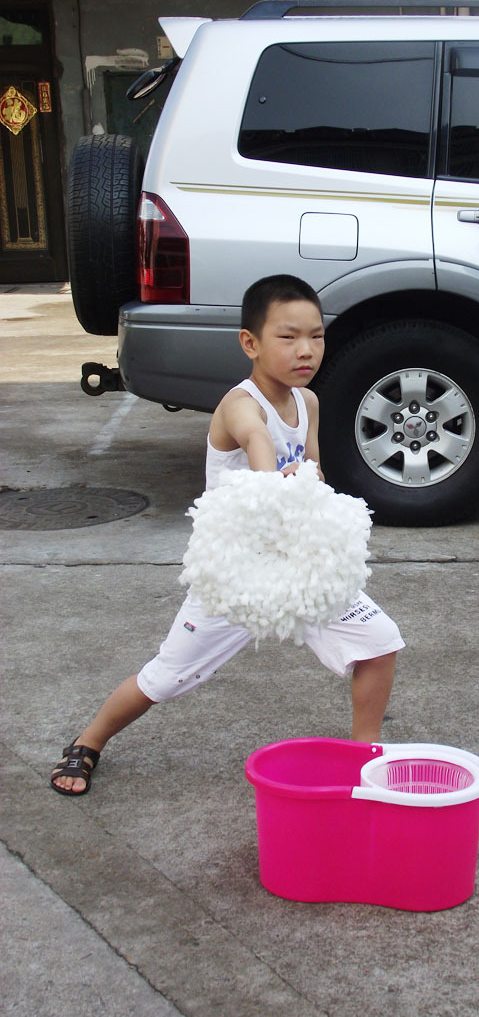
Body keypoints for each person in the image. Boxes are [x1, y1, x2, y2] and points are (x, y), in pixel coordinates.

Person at [51, 274, 404, 795]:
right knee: (166, 678)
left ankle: (363, 758)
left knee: (379, 642)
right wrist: (280, 486)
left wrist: (314, 493)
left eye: (316, 336)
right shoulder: (241, 407)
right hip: (235, 576)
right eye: (288, 337)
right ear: (250, 343)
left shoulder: (308, 403)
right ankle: (88, 742)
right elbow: (263, 458)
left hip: (294, 567)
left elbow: (312, 473)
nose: (306, 350)